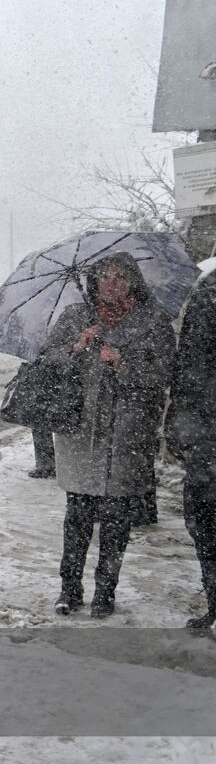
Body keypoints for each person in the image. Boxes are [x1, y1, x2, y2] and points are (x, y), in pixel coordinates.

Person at [39, 252, 176, 619]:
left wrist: (122, 364)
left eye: (120, 277)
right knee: (77, 516)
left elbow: (164, 375)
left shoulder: (154, 322)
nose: (112, 284)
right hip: (81, 433)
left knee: (117, 518)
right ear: (93, 282)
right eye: (104, 277)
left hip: (127, 434)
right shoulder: (75, 317)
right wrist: (76, 347)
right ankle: (69, 589)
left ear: (133, 281)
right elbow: (46, 362)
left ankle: (105, 591)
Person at [165, 270, 216, 633]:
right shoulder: (209, 291)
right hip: (206, 437)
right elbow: (188, 366)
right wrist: (180, 428)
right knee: (202, 524)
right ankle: (214, 602)